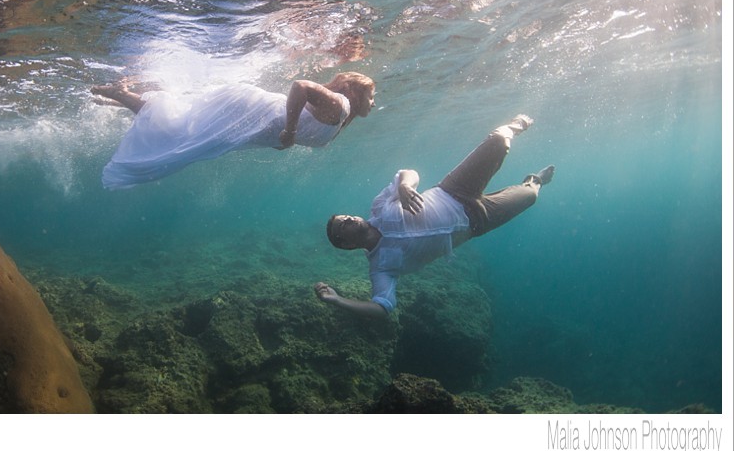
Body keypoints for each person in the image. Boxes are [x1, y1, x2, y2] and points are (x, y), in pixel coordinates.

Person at [315, 114, 554, 319]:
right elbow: (382, 306)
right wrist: (338, 300)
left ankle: (515, 124)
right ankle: (536, 179)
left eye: (345, 216)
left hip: (455, 189)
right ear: (346, 245)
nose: (348, 219)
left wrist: (405, 187)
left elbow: (407, 173)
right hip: (476, 223)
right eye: (342, 225)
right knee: (529, 196)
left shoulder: (380, 207)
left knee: (499, 141)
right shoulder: (381, 268)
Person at [91, 72, 376, 189]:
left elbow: (305, 129)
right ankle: (121, 94)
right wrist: (289, 132)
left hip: (253, 124)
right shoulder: (339, 106)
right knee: (178, 133)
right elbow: (300, 86)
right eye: (371, 95)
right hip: (248, 111)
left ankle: (126, 99)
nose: (374, 104)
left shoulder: (340, 118)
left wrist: (285, 137)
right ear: (351, 90)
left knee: (178, 131)